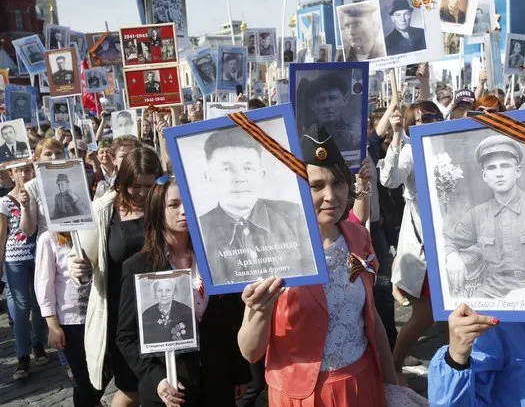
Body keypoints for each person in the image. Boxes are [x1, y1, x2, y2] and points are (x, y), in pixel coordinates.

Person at [237, 125, 398, 405]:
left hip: (361, 383)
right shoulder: (271, 248)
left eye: (338, 183)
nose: (331, 196)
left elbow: (371, 318)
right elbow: (250, 351)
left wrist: (392, 383)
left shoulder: (358, 237)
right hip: (302, 396)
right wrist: (258, 310)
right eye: (316, 186)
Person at [116, 176, 250, 406]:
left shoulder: (215, 258)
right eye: (174, 204)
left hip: (217, 385)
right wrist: (157, 380)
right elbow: (126, 337)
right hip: (171, 391)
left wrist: (239, 373)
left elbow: (231, 321)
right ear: (158, 209)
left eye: (189, 202)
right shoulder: (138, 267)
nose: (184, 210)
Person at [72, 148, 163, 406]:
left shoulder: (164, 204)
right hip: (121, 315)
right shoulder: (103, 210)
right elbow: (80, 255)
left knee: (160, 382)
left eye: (150, 185)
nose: (143, 193)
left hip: (161, 305)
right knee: (131, 386)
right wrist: (77, 268)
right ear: (122, 182)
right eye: (136, 186)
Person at [444, 135, 525, 299]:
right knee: (466, 317)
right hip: (492, 293)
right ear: (484, 176)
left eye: (505, 166)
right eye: (492, 168)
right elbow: (446, 240)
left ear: (517, 171)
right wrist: (452, 256)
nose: (499, 173)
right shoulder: (477, 215)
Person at [198, 129, 314, 284]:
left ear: (262, 175)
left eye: (248, 168)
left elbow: (310, 271)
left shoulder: (293, 215)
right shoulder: (199, 229)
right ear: (208, 176)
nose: (239, 179)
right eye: (227, 169)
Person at [379, 102, 442, 384]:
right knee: (425, 315)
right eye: (420, 120)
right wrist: (395, 135)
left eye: (433, 116)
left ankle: (459, 364)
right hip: (425, 244)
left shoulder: (451, 143)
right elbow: (390, 179)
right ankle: (393, 364)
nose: (428, 123)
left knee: (457, 309)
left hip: (456, 241)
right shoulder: (410, 150)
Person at [35, 230, 102, 405]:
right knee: (82, 378)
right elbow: (44, 284)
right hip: (71, 321)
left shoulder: (95, 231)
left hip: (99, 315)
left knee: (104, 373)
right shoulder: (48, 239)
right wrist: (53, 326)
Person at [0, 164, 49, 381]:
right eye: (19, 170)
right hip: (15, 260)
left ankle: (38, 343)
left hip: (37, 255)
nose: (24, 174)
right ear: (11, 174)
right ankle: (22, 355)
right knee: (20, 308)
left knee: (39, 304)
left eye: (28, 170)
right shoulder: (3, 202)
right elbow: (2, 235)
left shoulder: (38, 195)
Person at [22, 138, 67, 239]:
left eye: (58, 153)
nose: (54, 157)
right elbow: (28, 231)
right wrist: (26, 209)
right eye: (48, 154)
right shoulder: (32, 187)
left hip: (76, 243)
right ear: (38, 159)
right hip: (50, 245)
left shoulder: (78, 180)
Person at [306, 73, 358, 152]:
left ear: (344, 100)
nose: (327, 105)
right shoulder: (307, 139)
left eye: (332, 98)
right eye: (321, 100)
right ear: (312, 105)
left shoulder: (355, 137)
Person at [140, 278, 194, 344]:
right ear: (155, 293)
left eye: (168, 290)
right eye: (159, 290)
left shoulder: (186, 311)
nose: (163, 294)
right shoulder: (146, 315)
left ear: (174, 293)